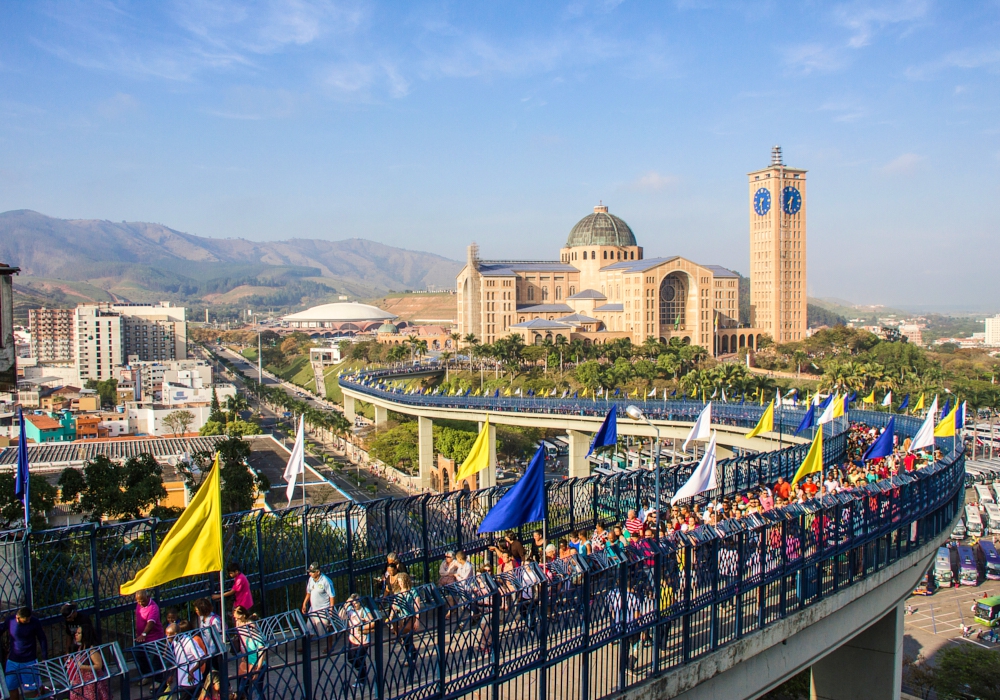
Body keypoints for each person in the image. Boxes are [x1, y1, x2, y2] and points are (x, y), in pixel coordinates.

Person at [2, 607, 47, 700]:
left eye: (28, 620)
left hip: (29, 660)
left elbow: (42, 638)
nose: (27, 621)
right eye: (25, 620)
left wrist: (44, 656)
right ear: (18, 617)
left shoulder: (34, 622)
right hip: (13, 660)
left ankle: (43, 697)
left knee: (35, 686)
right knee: (11, 686)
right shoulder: (10, 620)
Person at [66, 624, 110, 700]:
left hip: (91, 681)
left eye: (79, 633)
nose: (76, 635)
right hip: (81, 680)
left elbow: (98, 665)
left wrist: (82, 666)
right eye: (76, 633)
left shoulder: (91, 648)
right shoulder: (80, 648)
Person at [340, 594, 374, 688]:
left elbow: (372, 622)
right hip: (353, 638)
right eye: (352, 603)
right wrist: (346, 604)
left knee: (360, 658)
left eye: (356, 602)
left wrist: (362, 627)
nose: (354, 604)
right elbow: (340, 616)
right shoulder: (350, 610)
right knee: (350, 658)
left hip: (363, 640)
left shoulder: (364, 610)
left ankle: (362, 679)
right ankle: (362, 674)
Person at [165, 622, 206, 700]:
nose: (167, 637)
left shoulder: (189, 642)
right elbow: (177, 660)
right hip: (182, 680)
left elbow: (203, 658)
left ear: (176, 634)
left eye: (169, 635)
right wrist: (172, 675)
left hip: (192, 681)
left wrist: (191, 671)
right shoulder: (175, 642)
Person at [233, 606, 267, 700]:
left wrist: (258, 670)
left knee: (257, 691)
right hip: (248, 662)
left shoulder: (256, 639)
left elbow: (261, 653)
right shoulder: (248, 640)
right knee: (242, 688)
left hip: (255, 665)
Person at [302, 562, 336, 652]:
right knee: (309, 628)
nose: (310, 573)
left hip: (323, 610)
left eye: (312, 572)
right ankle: (306, 647)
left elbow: (332, 596)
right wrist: (304, 603)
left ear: (318, 572)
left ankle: (330, 646)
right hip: (313, 609)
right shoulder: (311, 580)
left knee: (324, 630)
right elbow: (308, 592)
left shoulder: (326, 581)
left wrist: (331, 610)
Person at [132, 590, 165, 682]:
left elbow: (150, 623)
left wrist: (144, 634)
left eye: (142, 600)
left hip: (154, 636)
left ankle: (158, 680)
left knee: (155, 658)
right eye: (138, 601)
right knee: (138, 654)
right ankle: (147, 674)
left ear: (148, 597)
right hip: (141, 637)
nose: (140, 603)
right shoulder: (139, 605)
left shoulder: (153, 607)